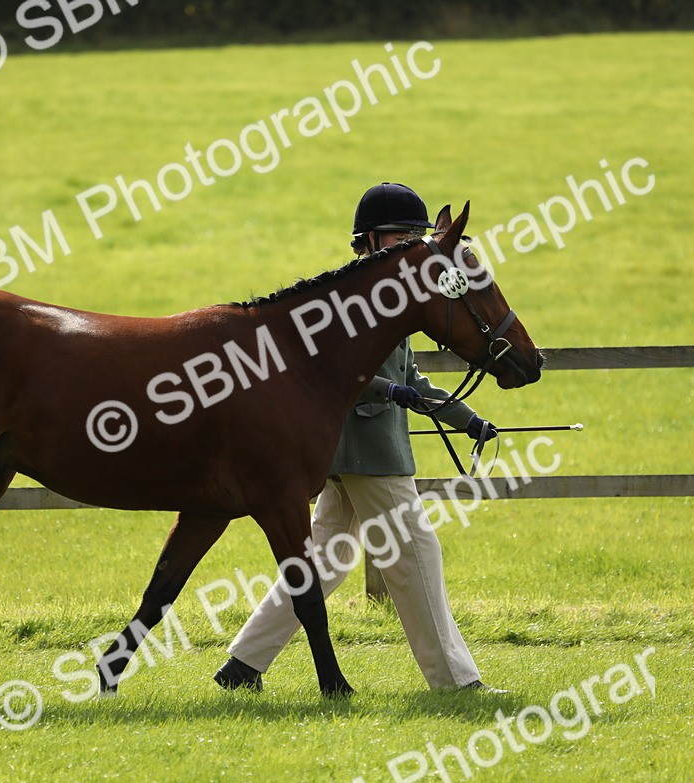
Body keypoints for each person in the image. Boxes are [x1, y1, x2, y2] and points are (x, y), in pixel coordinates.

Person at [213, 182, 504, 693]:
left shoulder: (395, 298)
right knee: (416, 555)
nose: (412, 243)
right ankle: (456, 682)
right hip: (368, 452)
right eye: (401, 235)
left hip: (352, 454)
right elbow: (333, 373)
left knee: (326, 561)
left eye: (416, 235)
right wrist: (389, 391)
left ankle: (243, 663)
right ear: (369, 240)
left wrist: (468, 420)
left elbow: (413, 380)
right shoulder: (348, 300)